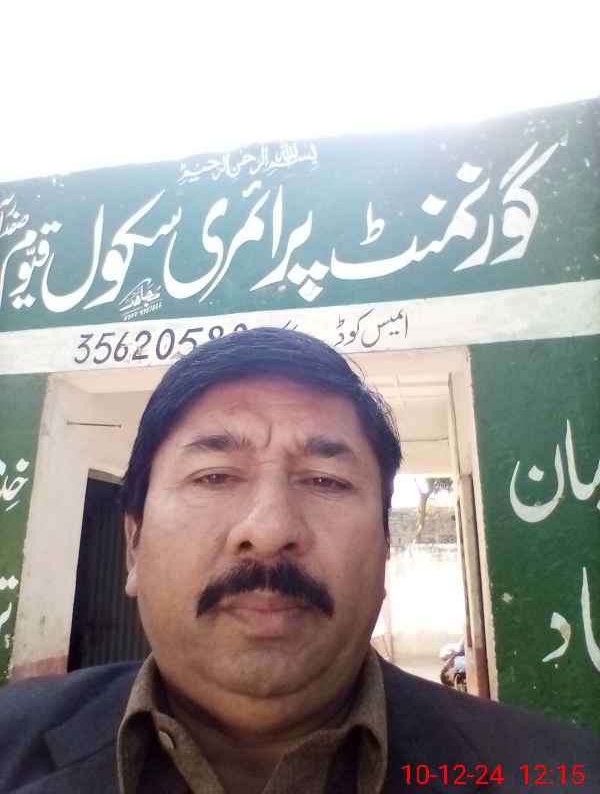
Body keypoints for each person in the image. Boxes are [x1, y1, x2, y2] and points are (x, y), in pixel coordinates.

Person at [0, 327, 598, 794]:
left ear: (384, 548)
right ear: (133, 543)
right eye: (214, 475)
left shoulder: (561, 773)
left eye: (325, 480)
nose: (268, 531)